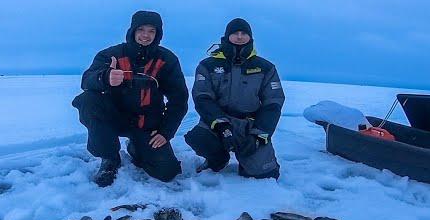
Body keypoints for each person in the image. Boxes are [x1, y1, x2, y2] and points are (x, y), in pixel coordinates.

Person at [71, 10, 189, 187]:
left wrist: (166, 131)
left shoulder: (167, 60)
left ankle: (136, 148)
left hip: (147, 125)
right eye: (141, 29)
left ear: (158, 34)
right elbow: (86, 81)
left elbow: (179, 100)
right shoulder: (112, 55)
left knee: (167, 172)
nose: (145, 35)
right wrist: (105, 77)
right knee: (88, 99)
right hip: (116, 119)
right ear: (132, 30)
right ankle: (110, 158)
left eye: (151, 31)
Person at [184, 18, 285, 179]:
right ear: (226, 36)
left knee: (265, 174)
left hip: (250, 125)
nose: (239, 37)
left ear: (250, 38)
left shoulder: (265, 67)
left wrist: (258, 135)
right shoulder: (208, 65)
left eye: (243, 33)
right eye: (235, 33)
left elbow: (273, 102)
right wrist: (221, 125)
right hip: (219, 122)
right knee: (199, 138)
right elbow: (202, 97)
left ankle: (251, 159)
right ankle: (218, 159)